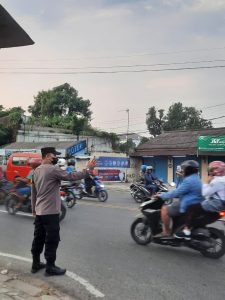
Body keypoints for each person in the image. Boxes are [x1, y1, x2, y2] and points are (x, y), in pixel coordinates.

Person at [31, 147, 96, 276]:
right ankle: (50, 267)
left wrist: (34, 210)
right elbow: (71, 176)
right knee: (52, 239)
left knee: (38, 238)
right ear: (49, 156)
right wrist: (88, 169)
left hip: (39, 212)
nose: (56, 158)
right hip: (50, 212)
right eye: (55, 156)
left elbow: (34, 192)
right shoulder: (52, 169)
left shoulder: (36, 171)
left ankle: (35, 264)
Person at [175, 161, 225, 240]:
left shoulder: (217, 181)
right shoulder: (223, 179)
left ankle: (186, 231)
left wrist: (206, 182)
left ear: (217, 170)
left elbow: (205, 193)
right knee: (199, 211)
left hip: (215, 203)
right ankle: (198, 228)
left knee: (191, 208)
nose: (210, 171)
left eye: (212, 169)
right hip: (220, 204)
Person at [155, 160, 202, 237]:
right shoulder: (197, 178)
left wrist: (162, 195)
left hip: (187, 204)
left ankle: (166, 231)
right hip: (195, 202)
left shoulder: (189, 180)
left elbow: (176, 192)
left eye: (184, 169)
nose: (183, 171)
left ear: (188, 170)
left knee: (164, 209)